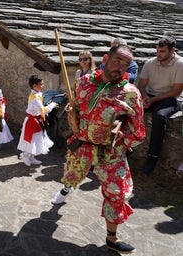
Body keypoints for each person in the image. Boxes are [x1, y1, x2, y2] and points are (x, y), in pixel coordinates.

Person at [51, 45, 145, 254]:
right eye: (117, 61)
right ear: (105, 58)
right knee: (70, 176)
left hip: (110, 153)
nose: (120, 67)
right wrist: (71, 112)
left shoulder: (130, 94)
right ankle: (67, 187)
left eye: (125, 64)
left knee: (117, 194)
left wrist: (123, 137)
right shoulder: (83, 82)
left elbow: (138, 132)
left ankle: (112, 238)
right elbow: (74, 106)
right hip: (81, 146)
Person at [137, 35, 183, 175]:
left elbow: (176, 91)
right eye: (157, 51)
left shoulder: (180, 64)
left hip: (171, 98)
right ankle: (124, 147)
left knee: (159, 116)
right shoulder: (150, 62)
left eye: (162, 52)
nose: (158, 54)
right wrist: (145, 97)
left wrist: (153, 100)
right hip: (150, 95)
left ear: (172, 50)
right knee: (132, 109)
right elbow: (141, 86)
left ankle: (152, 157)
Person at [17, 75, 58, 166]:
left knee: (36, 140)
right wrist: (52, 105)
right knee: (31, 140)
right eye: (41, 84)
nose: (43, 86)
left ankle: (31, 157)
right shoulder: (34, 97)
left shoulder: (37, 94)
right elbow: (42, 110)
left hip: (36, 120)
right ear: (34, 86)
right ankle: (25, 155)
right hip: (32, 121)